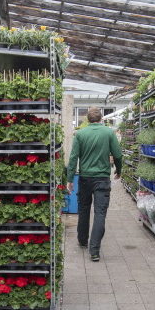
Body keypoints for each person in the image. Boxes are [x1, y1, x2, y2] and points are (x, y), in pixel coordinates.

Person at [67, 107, 122, 262]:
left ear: (88, 119)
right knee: (100, 213)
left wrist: (70, 179)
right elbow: (117, 155)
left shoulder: (80, 134)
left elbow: (73, 158)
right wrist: (119, 170)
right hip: (102, 179)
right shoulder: (109, 133)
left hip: (84, 178)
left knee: (83, 209)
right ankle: (95, 251)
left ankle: (82, 240)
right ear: (101, 119)